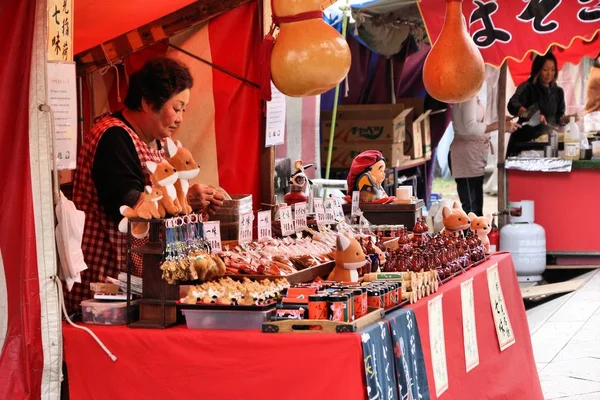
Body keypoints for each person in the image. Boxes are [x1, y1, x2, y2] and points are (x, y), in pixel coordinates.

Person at [68, 57, 224, 312]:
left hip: (142, 278)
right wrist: (181, 199)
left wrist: (189, 202)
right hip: (108, 283)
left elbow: (161, 191)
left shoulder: (158, 142)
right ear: (147, 102)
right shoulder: (113, 137)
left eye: (184, 109)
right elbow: (128, 204)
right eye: (177, 108)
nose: (181, 118)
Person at [449, 96, 519, 216]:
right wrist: (498, 125)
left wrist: (499, 122)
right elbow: (470, 127)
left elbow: (474, 123)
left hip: (473, 154)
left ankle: (475, 233)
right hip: (466, 156)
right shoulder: (468, 98)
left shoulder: (473, 97)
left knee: (475, 208)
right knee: (471, 208)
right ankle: (471, 234)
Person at [506, 52, 568, 156]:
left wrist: (564, 120)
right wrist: (533, 113)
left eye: (553, 70)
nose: (549, 74)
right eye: (545, 70)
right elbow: (512, 104)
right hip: (525, 142)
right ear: (538, 70)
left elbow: (558, 116)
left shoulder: (558, 92)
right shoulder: (528, 87)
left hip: (548, 143)